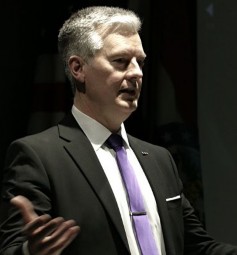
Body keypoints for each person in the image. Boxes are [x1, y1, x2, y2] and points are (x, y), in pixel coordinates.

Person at [0, 5, 237, 255]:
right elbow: (13, 249)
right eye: (121, 61)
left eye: (140, 62)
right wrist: (29, 252)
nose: (136, 73)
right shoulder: (38, 156)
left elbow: (197, 247)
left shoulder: (160, 159)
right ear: (78, 69)